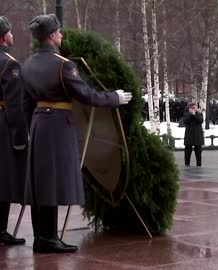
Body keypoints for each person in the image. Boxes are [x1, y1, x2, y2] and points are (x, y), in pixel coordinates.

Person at [21, 14, 132, 253]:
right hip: (58, 126)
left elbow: (25, 103)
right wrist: (115, 97)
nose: (61, 35)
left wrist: (31, 128)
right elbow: (87, 95)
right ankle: (49, 238)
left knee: (40, 182)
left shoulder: (27, 64)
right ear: (51, 36)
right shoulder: (64, 65)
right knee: (50, 182)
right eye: (58, 32)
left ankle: (41, 236)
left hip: (39, 125)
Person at [0, 16, 28, 245]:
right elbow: (14, 105)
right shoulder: (9, 64)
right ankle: (0, 229)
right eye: (9, 32)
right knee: (5, 178)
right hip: (2, 126)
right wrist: (20, 137)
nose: (12, 35)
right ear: (3, 37)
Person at [183, 102, 204, 166]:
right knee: (187, 152)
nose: (193, 109)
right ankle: (187, 164)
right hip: (189, 135)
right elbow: (185, 121)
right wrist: (190, 114)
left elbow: (200, 120)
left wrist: (194, 114)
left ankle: (199, 165)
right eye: (191, 108)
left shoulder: (199, 114)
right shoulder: (186, 114)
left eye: (194, 108)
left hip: (197, 136)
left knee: (198, 153)